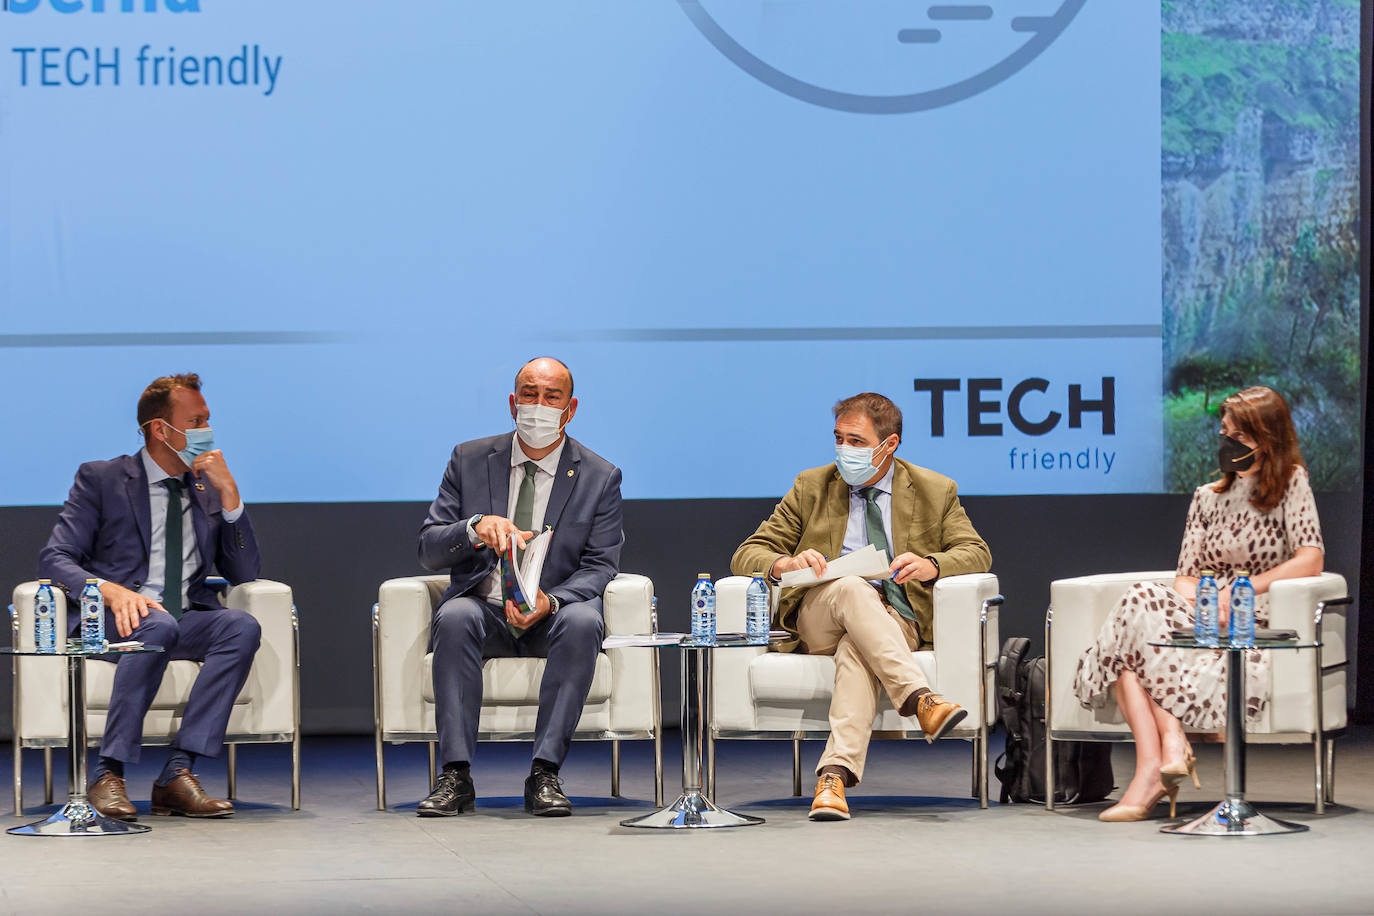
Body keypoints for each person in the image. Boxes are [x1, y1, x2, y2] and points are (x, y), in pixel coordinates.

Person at [731, 392, 992, 820]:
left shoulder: (933, 489)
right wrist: (786, 563)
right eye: (839, 439)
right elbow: (748, 553)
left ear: (888, 445)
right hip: (820, 615)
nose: (843, 451)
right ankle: (921, 697)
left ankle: (833, 778)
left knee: (858, 648)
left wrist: (930, 564)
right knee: (851, 586)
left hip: (895, 618)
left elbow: (976, 551)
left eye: (856, 441)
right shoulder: (811, 486)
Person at [1074, 386, 1325, 821]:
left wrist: (1245, 589)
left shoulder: (1291, 484)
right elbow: (1185, 576)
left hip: (1255, 621)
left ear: (1266, 440)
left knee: (1131, 655)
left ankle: (1158, 766)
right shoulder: (1207, 496)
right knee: (1142, 602)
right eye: (1223, 432)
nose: (1226, 442)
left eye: (1237, 436)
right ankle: (1164, 753)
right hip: (1202, 618)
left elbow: (1311, 557)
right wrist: (1206, 602)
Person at [39, 373, 262, 820]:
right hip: (117, 622)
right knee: (155, 622)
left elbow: (243, 573)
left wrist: (231, 496)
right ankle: (108, 774)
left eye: (207, 421)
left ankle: (177, 775)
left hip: (183, 619)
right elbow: (54, 558)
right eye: (196, 421)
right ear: (161, 430)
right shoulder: (102, 478)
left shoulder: (205, 491)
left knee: (240, 625)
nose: (206, 432)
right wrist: (107, 590)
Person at [417, 357, 623, 817]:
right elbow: (429, 547)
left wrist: (552, 602)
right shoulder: (469, 459)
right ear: (513, 403)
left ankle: (545, 773)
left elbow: (600, 565)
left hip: (551, 615)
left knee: (584, 618)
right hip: (485, 609)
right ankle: (455, 775)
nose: (539, 405)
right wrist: (472, 528)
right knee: (454, 616)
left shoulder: (598, 475)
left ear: (570, 410)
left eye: (552, 397)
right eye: (529, 394)